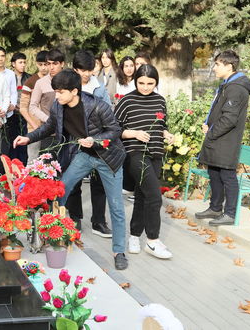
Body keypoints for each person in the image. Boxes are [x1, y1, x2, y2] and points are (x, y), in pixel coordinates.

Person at [14, 69, 128, 270]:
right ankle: (52, 236)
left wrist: (95, 140)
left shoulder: (98, 106)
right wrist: (28, 138)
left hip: (108, 158)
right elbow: (48, 127)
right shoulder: (58, 106)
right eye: (56, 91)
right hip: (84, 156)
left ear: (74, 91)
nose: (56, 96)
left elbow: (115, 131)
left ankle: (119, 251)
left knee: (116, 206)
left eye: (60, 92)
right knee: (60, 191)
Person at [115, 64, 175, 259]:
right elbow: (113, 129)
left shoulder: (160, 100)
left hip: (156, 153)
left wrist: (166, 134)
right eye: (141, 83)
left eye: (150, 83)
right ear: (135, 81)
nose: (146, 87)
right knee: (155, 196)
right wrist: (134, 133)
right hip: (136, 154)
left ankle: (134, 236)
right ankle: (152, 241)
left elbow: (161, 125)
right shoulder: (127, 101)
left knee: (143, 196)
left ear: (156, 82)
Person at [195, 50, 250, 225]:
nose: (214, 68)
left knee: (227, 176)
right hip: (217, 140)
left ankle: (229, 214)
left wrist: (211, 132)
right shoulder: (227, 85)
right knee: (214, 173)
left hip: (226, 141)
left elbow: (229, 119)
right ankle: (215, 208)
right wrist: (208, 125)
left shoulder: (236, 88)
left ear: (229, 66)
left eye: (218, 64)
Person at [66, 50, 113, 237]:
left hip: (96, 141)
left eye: (89, 70)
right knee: (74, 181)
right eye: (82, 70)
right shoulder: (68, 86)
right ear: (75, 69)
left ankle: (99, 221)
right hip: (74, 141)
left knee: (99, 181)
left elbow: (108, 113)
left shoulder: (99, 88)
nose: (86, 74)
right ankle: (75, 217)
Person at [19, 51, 50, 163]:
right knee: (33, 159)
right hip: (34, 127)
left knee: (50, 160)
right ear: (36, 64)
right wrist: (34, 125)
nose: (43, 67)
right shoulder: (30, 82)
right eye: (40, 65)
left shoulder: (55, 80)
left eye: (46, 64)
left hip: (51, 127)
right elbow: (23, 108)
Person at [9, 52, 31, 162]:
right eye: (20, 62)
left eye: (24, 62)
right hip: (11, 113)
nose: (23, 65)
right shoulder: (8, 77)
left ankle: (23, 165)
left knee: (23, 141)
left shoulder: (29, 78)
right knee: (12, 141)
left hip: (25, 114)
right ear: (13, 64)